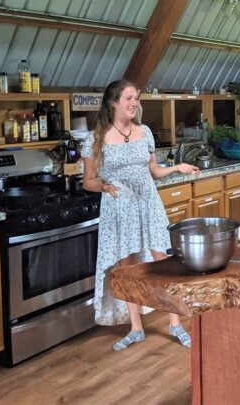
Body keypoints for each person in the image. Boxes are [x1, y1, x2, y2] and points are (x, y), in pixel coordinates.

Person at [82, 79, 200, 351]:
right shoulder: (96, 138)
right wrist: (105, 186)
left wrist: (177, 168)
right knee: (128, 268)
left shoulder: (144, 132)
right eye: (128, 98)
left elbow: (154, 171)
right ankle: (136, 328)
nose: (134, 103)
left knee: (164, 263)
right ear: (113, 103)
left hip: (148, 203)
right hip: (119, 209)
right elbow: (88, 181)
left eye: (136, 98)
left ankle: (175, 323)